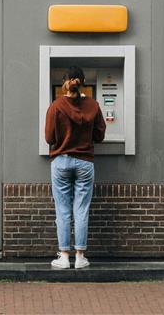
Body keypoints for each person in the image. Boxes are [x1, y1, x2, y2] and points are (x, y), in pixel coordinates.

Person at [44, 66, 106, 269]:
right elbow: (100, 136)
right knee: (81, 209)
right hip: (85, 163)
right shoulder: (93, 105)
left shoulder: (56, 106)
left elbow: (49, 138)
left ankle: (63, 257)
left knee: (62, 210)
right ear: (82, 83)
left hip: (61, 161)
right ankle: (80, 257)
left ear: (65, 83)